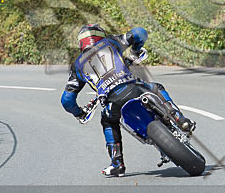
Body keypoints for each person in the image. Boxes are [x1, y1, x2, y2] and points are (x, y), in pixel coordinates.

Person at [60, 24, 195, 177]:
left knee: (108, 121)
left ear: (81, 42)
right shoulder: (111, 42)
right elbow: (140, 32)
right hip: (134, 88)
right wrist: (135, 50)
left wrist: (79, 112)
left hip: (112, 102)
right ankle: (179, 117)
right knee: (156, 87)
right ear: (100, 36)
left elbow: (67, 100)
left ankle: (117, 163)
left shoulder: (77, 65)